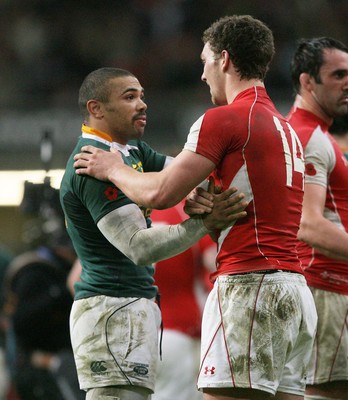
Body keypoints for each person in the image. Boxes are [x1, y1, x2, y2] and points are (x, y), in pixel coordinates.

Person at [73, 15, 318, 400]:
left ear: (223, 59)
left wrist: (113, 169)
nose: (202, 75)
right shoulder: (284, 125)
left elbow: (159, 195)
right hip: (296, 290)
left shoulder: (225, 119)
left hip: (249, 284)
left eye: (204, 62)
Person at [59, 67, 248, 400]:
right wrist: (204, 223)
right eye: (129, 97)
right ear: (96, 109)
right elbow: (138, 247)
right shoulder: (90, 163)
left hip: (133, 304)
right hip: (110, 308)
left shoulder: (132, 152)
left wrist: (201, 192)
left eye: (142, 95)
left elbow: (182, 175)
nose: (143, 104)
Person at [288, 37, 348, 400]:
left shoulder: (317, 134)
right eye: (338, 74)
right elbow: (306, 223)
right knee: (325, 392)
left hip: (328, 285)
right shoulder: (309, 138)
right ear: (308, 81)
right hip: (323, 285)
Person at [151, 200, 216, 400]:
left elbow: (76, 278)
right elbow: (214, 261)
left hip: (140, 334)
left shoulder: (129, 212)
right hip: (181, 332)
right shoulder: (186, 212)